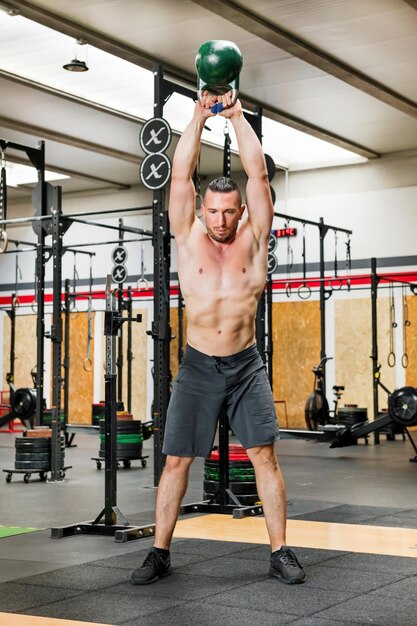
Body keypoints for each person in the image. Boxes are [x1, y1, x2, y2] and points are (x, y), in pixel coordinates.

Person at [131, 91, 305, 586]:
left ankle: (280, 552)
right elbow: (180, 174)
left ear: (240, 210)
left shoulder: (255, 235)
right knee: (176, 461)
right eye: (215, 211)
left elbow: (260, 176)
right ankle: (159, 553)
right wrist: (195, 118)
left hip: (246, 367)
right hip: (199, 366)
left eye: (230, 211)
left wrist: (235, 116)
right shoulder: (186, 236)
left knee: (265, 456)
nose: (223, 220)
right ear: (202, 210)